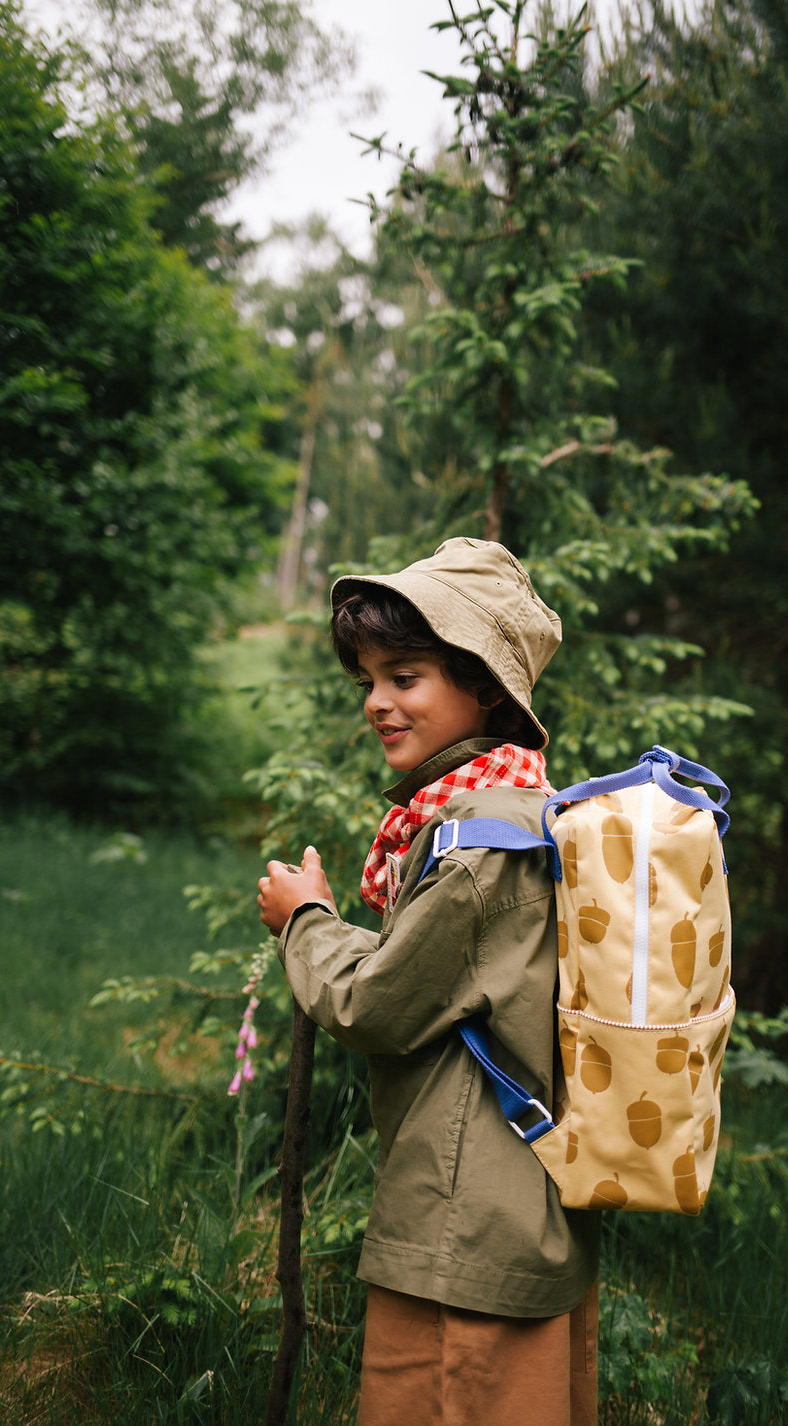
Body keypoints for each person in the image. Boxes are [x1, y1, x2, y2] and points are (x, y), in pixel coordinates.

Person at [257, 537, 600, 1426]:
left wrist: (306, 919)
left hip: (466, 1224)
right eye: (368, 678)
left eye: (404, 677)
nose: (376, 702)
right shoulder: (528, 812)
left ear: (485, 684)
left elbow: (374, 1004)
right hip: (526, 1205)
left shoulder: (483, 838)